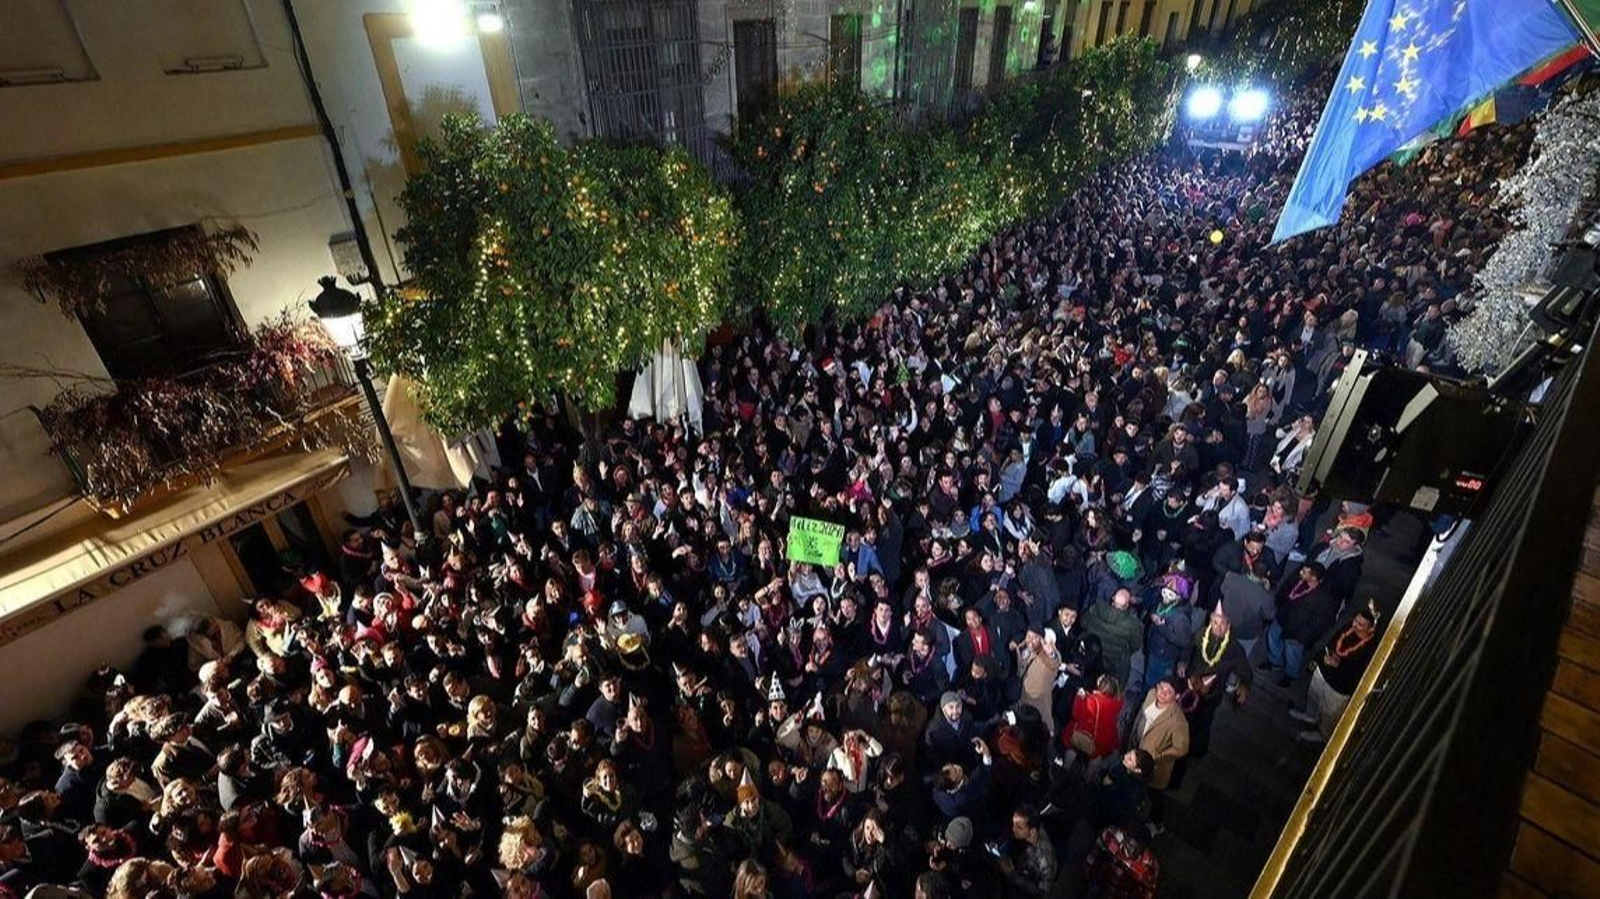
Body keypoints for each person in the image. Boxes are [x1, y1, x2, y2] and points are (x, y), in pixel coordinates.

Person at [1292, 603, 1382, 743]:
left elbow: (1359, 675)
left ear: (1370, 628)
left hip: (1339, 687)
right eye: (1355, 620)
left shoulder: (1370, 649)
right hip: (1323, 671)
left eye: (1360, 624)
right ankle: (1310, 716)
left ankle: (1323, 735)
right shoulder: (1348, 628)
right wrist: (1317, 660)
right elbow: (1330, 642)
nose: (1354, 625)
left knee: (1329, 714)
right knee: (1313, 696)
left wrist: (1338, 665)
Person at [1263, 562, 1339, 688]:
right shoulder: (1298, 580)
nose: (1300, 573)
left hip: (1297, 631)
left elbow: (1320, 622)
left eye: (1304, 572)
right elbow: (1285, 589)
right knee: (1273, 637)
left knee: (1293, 653)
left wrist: (1303, 636)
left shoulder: (1324, 598)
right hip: (1283, 617)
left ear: (1314, 578)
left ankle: (1291, 675)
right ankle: (1275, 662)